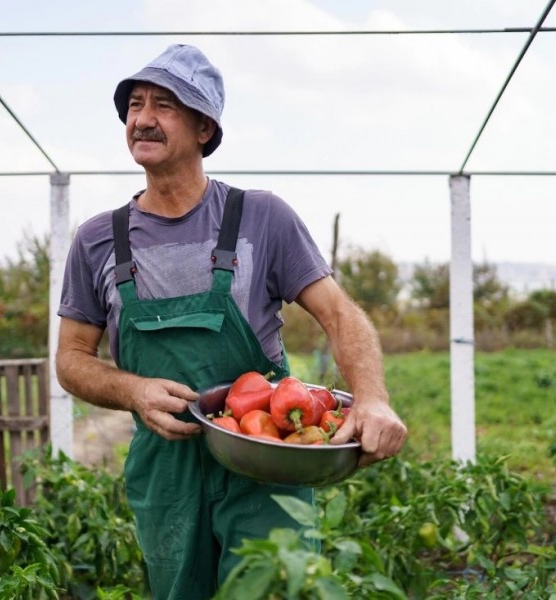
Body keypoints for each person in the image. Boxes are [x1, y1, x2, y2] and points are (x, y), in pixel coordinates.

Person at [55, 43, 408, 599]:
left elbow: (340, 315)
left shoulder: (260, 218)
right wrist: (133, 391)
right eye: (135, 105)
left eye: (164, 105)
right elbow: (71, 360)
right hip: (165, 471)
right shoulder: (98, 239)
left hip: (265, 461)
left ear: (203, 129)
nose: (142, 119)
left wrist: (372, 397)